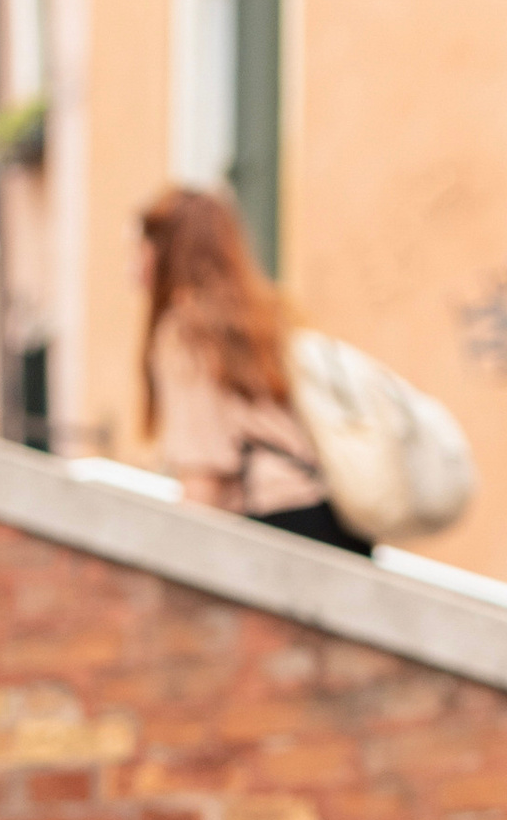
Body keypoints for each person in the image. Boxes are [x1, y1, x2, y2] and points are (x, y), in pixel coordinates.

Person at [138, 187, 369, 555]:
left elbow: (203, 473)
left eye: (141, 246)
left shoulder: (186, 332)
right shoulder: (265, 318)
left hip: (273, 526)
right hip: (331, 519)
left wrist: (176, 560)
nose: (135, 262)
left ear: (165, 250)